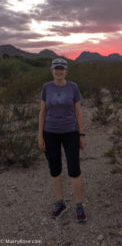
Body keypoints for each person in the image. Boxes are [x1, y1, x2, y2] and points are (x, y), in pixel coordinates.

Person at [38, 58, 87, 223]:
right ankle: (60, 203)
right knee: (55, 169)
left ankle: (79, 205)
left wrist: (81, 135)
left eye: (62, 69)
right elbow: (43, 113)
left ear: (66, 71)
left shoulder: (73, 87)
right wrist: (40, 136)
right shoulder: (46, 87)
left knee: (74, 169)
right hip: (50, 133)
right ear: (52, 70)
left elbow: (78, 113)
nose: (59, 71)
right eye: (56, 69)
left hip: (70, 132)